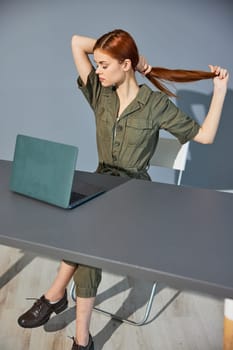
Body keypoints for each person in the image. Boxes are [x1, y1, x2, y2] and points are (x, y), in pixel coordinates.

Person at [17, 29, 229, 350]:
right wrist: (126, 55)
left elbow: (205, 136)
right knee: (80, 227)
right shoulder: (99, 93)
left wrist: (219, 90)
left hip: (135, 195)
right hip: (99, 182)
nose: (97, 69)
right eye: (98, 64)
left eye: (104, 64)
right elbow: (77, 42)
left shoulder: (154, 104)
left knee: (84, 234)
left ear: (125, 65)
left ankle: (59, 302)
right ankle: (77, 330)